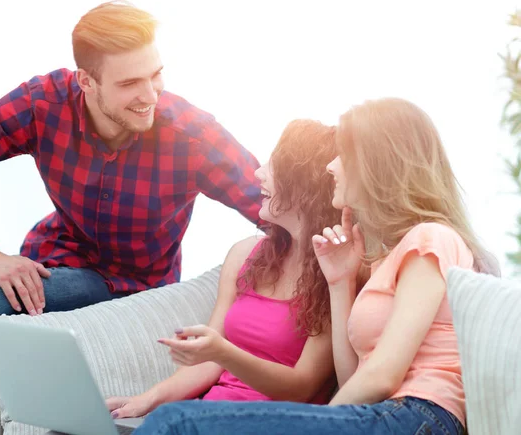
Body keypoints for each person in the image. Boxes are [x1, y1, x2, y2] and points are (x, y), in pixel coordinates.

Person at [0, 1, 264, 422]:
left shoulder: (191, 135)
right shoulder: (44, 102)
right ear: (86, 81)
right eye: (131, 83)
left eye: (156, 75)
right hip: (56, 262)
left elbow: (277, 208)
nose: (150, 95)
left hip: (131, 286)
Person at [131, 98, 500, 435]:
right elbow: (353, 377)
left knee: (175, 422)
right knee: (172, 419)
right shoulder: (386, 258)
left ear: (376, 164)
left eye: (343, 154)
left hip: (419, 415)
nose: (331, 166)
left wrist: (321, 421)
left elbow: (383, 377)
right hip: (386, 414)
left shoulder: (431, 238)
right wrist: (340, 283)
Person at [106, 120, 342, 418]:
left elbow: (302, 388)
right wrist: (146, 400)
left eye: (275, 165)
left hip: (276, 422)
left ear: (305, 183)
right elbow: (208, 361)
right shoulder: (246, 255)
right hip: (207, 415)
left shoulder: (336, 273)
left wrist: (222, 351)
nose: (259, 173)